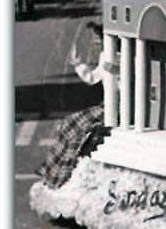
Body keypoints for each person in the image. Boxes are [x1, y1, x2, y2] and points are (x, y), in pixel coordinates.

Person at [39, 22, 116, 189]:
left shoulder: (120, 55)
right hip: (107, 105)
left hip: (117, 109)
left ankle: (61, 175)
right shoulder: (105, 55)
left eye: (98, 38)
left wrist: (116, 70)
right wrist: (78, 63)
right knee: (67, 125)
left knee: (74, 129)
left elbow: (123, 78)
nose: (95, 42)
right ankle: (52, 171)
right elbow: (93, 77)